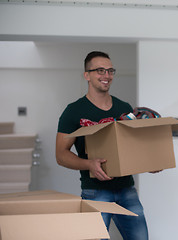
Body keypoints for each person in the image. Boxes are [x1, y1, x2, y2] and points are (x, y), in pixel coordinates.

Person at [56, 51, 148, 240]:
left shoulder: (124, 108)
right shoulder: (74, 111)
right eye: (100, 70)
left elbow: (132, 146)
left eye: (110, 71)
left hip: (127, 189)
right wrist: (89, 164)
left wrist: (149, 162)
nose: (106, 76)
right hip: (95, 191)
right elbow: (61, 154)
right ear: (87, 75)